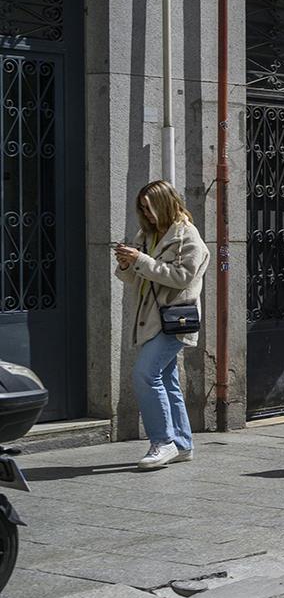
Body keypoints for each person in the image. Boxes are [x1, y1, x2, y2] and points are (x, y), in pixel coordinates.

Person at [115, 181, 211, 470]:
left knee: (145, 374)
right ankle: (182, 444)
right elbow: (139, 279)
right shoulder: (146, 234)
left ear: (166, 203)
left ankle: (162, 442)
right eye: (143, 208)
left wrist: (141, 260)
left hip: (174, 320)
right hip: (149, 318)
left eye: (151, 207)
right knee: (166, 380)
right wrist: (125, 265)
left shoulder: (187, 236)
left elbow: (182, 277)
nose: (147, 213)